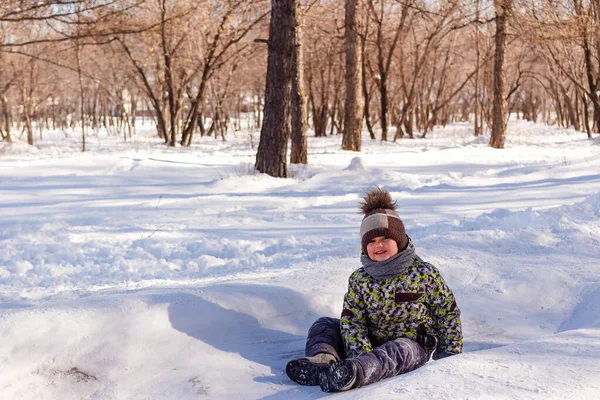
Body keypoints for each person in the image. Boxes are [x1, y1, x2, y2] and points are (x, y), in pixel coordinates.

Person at [285, 187, 463, 392]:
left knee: (399, 349)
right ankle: (323, 361)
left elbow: (447, 313)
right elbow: (353, 321)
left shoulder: (424, 273)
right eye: (371, 241)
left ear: (400, 240)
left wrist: (449, 356)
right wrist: (360, 352)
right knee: (324, 324)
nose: (378, 245)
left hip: (412, 346)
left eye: (384, 238)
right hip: (370, 343)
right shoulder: (359, 279)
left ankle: (355, 372)